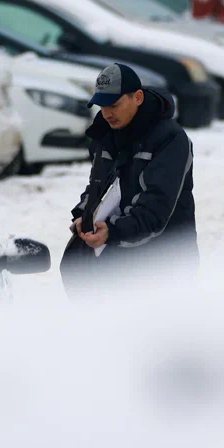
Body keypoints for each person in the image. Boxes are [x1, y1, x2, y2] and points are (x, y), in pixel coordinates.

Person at [61, 63, 197, 296]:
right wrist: (84, 215)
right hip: (117, 264)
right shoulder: (105, 134)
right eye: (102, 106)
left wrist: (112, 232)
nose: (107, 114)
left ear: (138, 97)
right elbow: (98, 186)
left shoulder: (170, 139)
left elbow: (155, 209)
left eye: (114, 105)